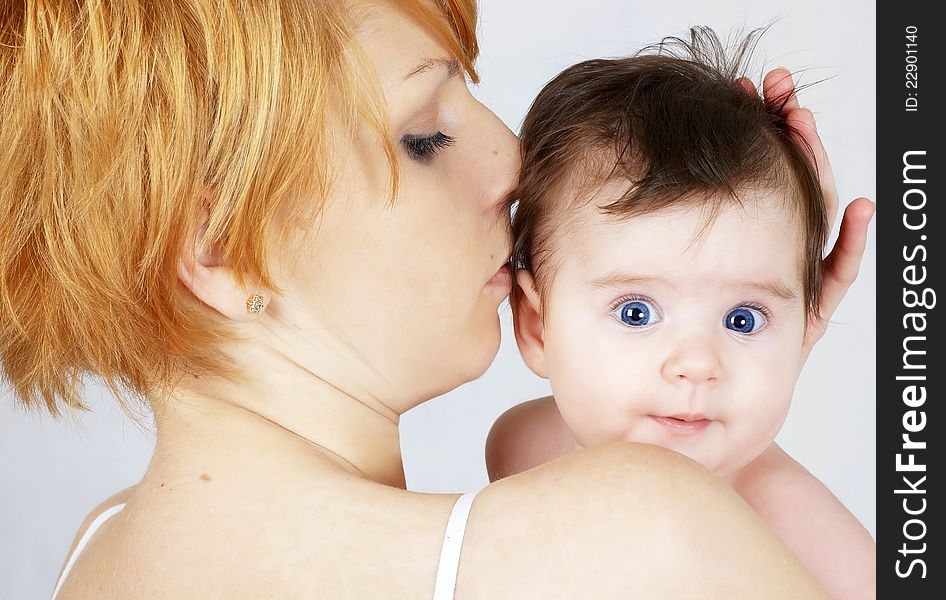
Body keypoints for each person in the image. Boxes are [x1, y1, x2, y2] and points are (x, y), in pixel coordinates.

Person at [0, 2, 872, 598]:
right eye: (425, 138)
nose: (510, 156)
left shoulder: (103, 546)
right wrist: (754, 357)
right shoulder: (635, 532)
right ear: (225, 245)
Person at [483, 28, 875, 600]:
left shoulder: (794, 530)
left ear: (801, 333)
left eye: (743, 318)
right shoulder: (522, 449)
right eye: (636, 312)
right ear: (537, 327)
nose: (696, 364)